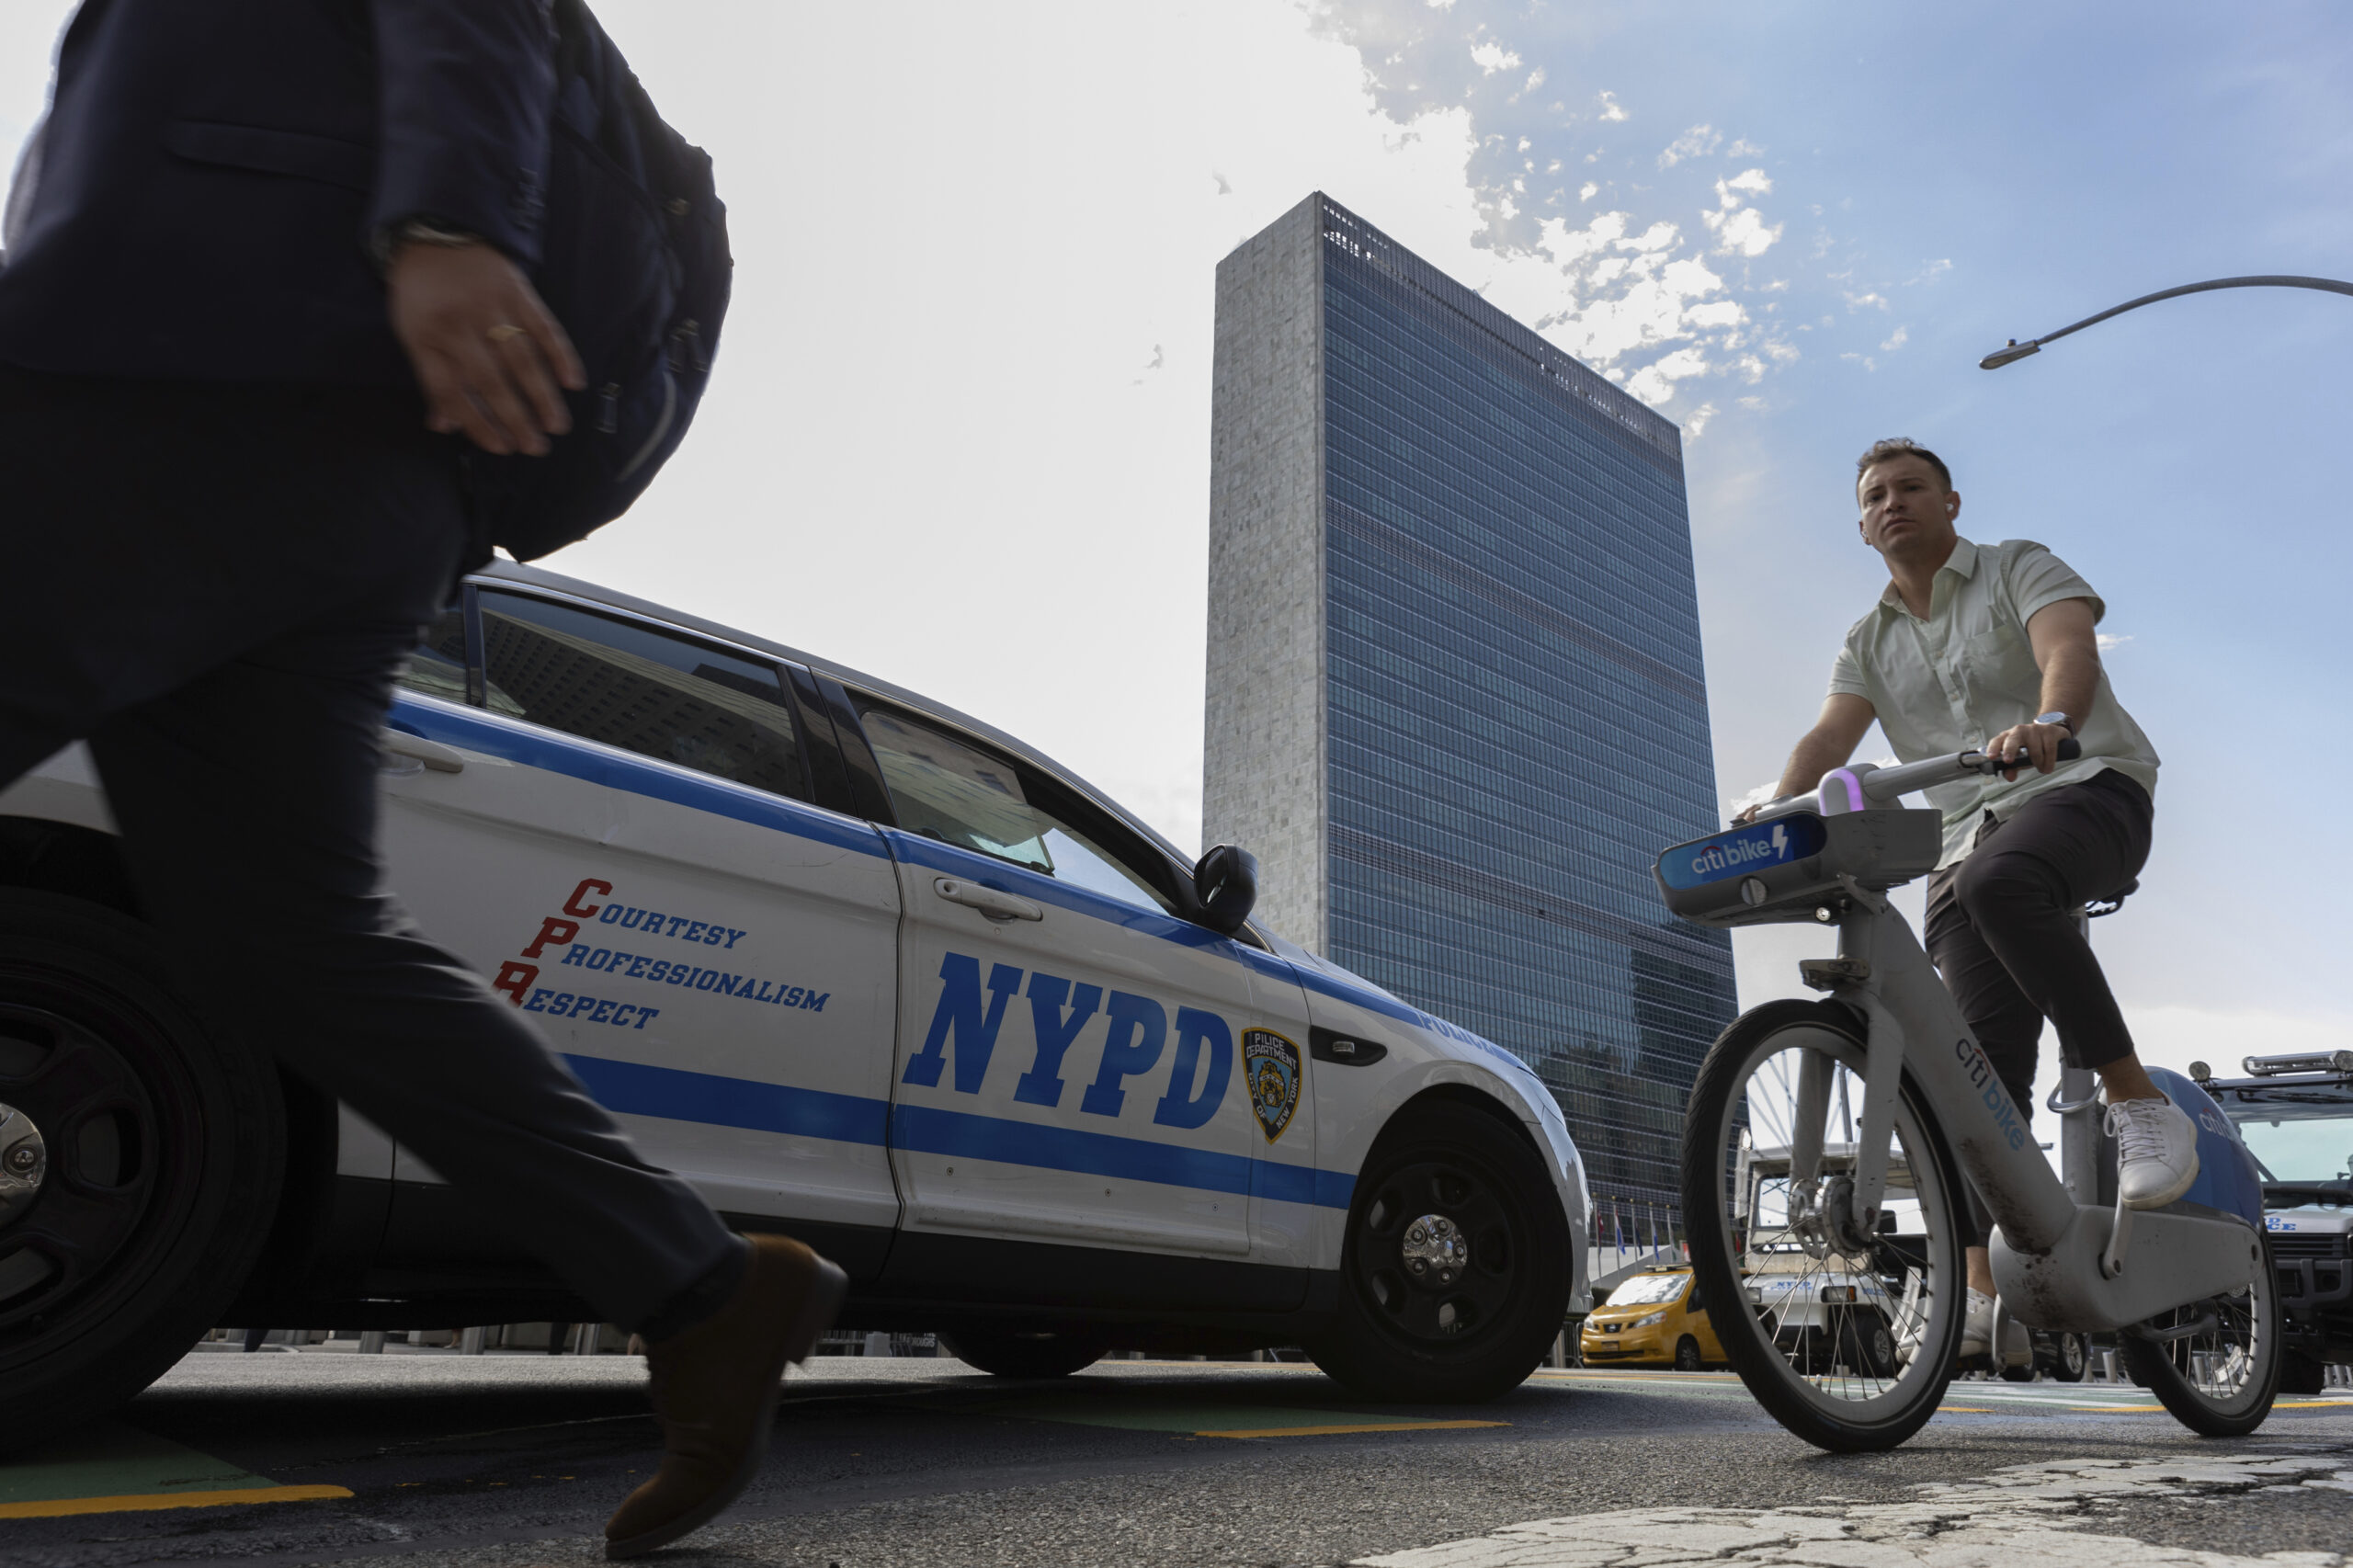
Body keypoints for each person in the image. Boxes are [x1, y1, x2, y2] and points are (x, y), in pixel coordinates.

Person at [0, 0, 839, 1555]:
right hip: (364, 467)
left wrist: (450, 218)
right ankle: (703, 1289)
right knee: (296, 943)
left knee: (301, 939)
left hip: (196, 366)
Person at [1743, 437, 2196, 1362]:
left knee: (2003, 881)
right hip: (1961, 840)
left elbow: (2064, 647)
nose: (1892, 502)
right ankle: (1990, 1295)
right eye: (1875, 495)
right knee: (1970, 1066)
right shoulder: (1867, 639)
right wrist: (1770, 805)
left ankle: (2139, 1101)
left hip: (2084, 790)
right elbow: (1830, 734)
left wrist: (2051, 722)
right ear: (1862, 525)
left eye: (1911, 487)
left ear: (1951, 501)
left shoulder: (2016, 566)